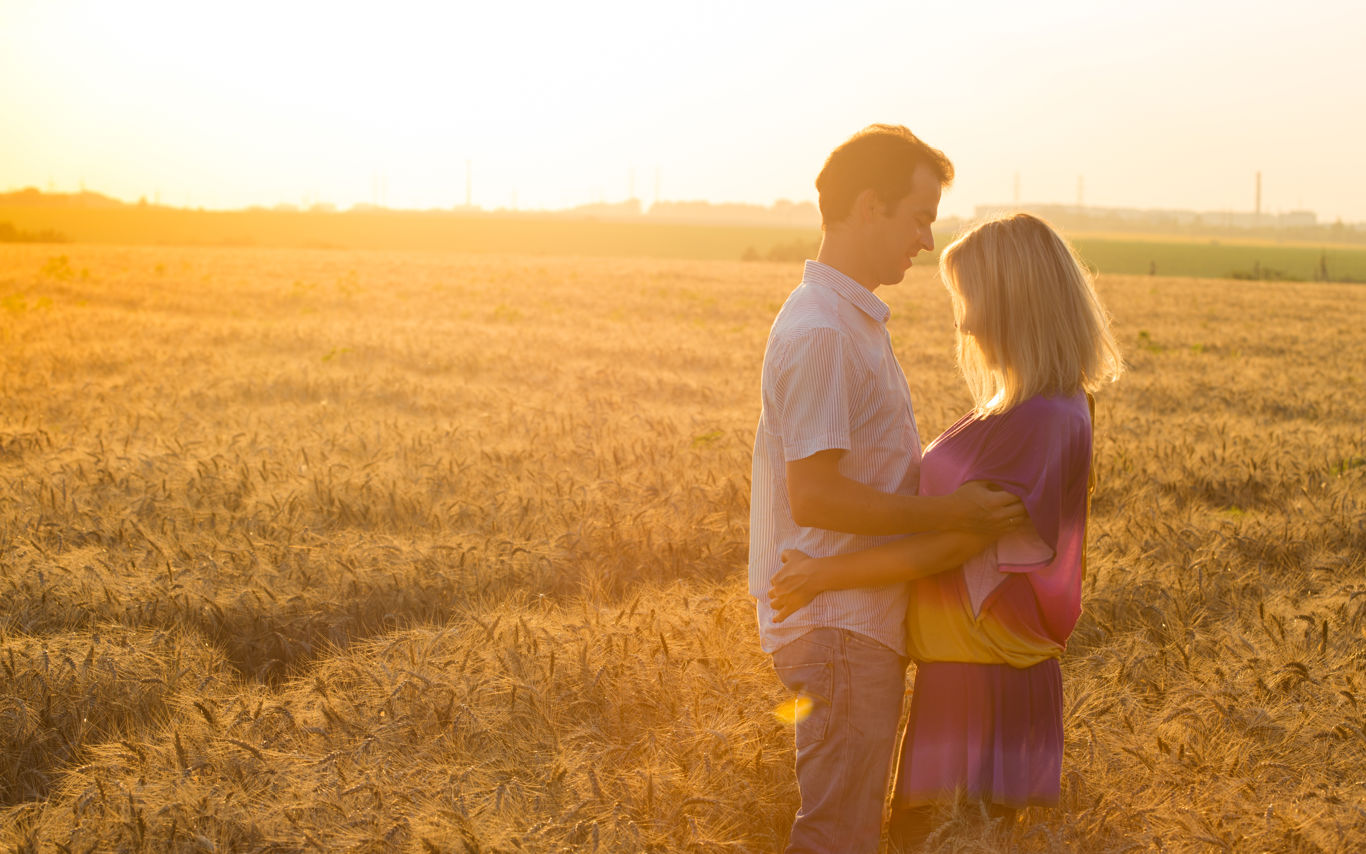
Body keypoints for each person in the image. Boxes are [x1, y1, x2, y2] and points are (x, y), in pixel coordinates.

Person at [768, 212, 1123, 843]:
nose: (963, 321)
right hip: (969, 671)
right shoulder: (1034, 407)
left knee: (938, 839)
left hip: (983, 681)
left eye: (968, 300)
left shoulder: (1039, 419)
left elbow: (949, 546)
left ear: (1010, 303)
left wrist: (825, 573)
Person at [748, 125, 1027, 854]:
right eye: (919, 216)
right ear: (869, 206)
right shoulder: (825, 332)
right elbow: (816, 496)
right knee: (838, 839)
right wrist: (950, 512)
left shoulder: (848, 321)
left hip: (853, 623)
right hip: (839, 627)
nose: (927, 239)